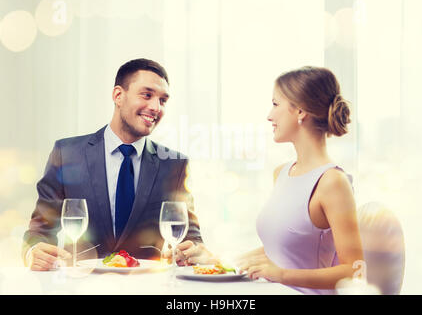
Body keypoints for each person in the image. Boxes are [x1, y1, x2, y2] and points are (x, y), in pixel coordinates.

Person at [176, 66, 364, 294]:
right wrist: (213, 260)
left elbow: (354, 271)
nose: (269, 115)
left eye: (276, 104)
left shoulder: (332, 182)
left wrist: (283, 275)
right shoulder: (282, 173)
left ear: (300, 112)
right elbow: (279, 252)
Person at [23, 58, 204, 271]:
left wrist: (195, 251)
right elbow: (39, 231)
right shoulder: (67, 154)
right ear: (118, 95)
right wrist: (31, 252)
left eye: (163, 100)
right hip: (80, 287)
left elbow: (191, 238)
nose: (156, 107)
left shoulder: (174, 165)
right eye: (147, 95)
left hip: (148, 288)